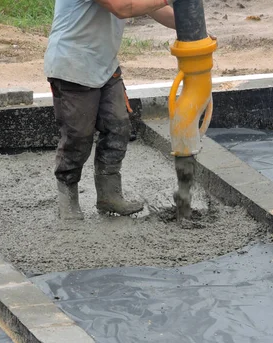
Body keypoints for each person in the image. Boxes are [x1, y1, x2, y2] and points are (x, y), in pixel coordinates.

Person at [44, 0, 177, 220]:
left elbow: (156, 8)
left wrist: (192, 28)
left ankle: (109, 195)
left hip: (105, 66)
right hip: (71, 67)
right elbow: (122, 7)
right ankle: (68, 198)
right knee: (78, 136)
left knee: (118, 125)